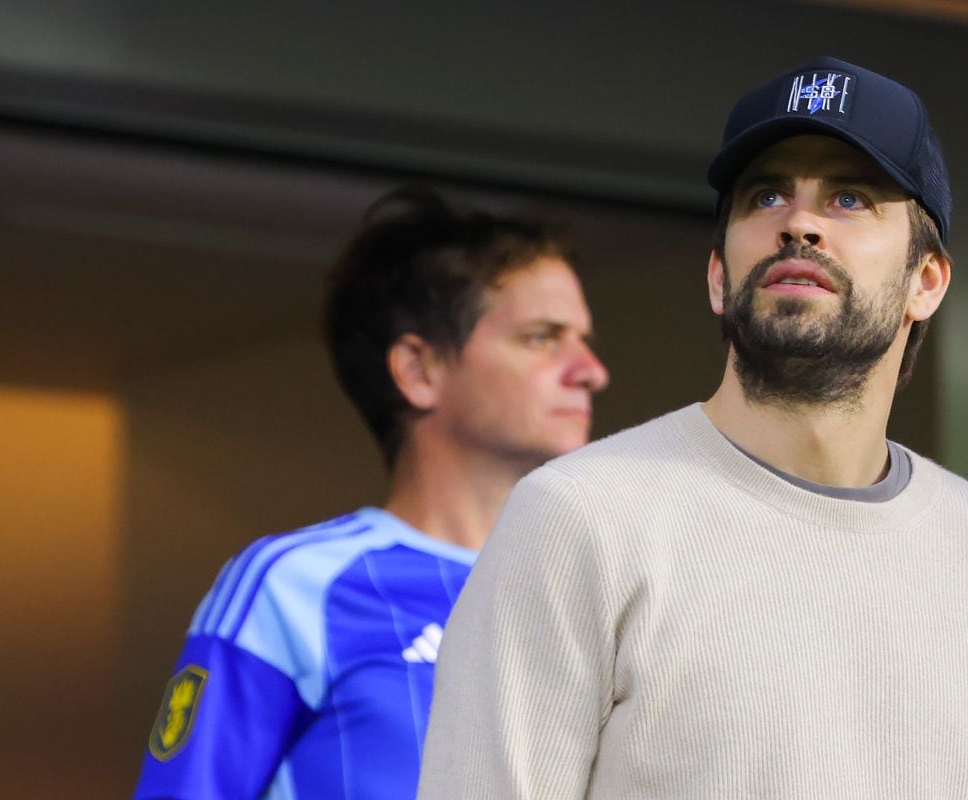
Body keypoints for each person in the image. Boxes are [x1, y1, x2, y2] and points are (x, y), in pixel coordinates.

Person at [419, 57, 968, 799]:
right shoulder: (578, 519)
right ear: (716, 275)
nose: (799, 223)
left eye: (850, 198)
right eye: (766, 196)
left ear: (926, 281)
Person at [131, 185, 609, 800]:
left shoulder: (606, 589)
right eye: (542, 337)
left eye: (582, 338)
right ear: (418, 369)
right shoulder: (294, 583)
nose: (591, 370)